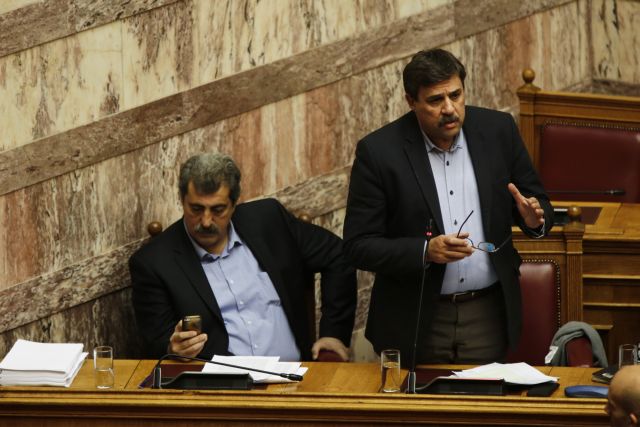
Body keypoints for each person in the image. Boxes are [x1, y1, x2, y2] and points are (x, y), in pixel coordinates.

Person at [343, 48, 554, 365]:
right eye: (435, 100)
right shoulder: (379, 152)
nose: (449, 109)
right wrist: (425, 251)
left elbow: (539, 204)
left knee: (484, 395)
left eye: (455, 95)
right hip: (415, 316)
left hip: (487, 313)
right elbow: (358, 246)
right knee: (415, 398)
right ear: (411, 101)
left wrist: (534, 219)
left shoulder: (498, 130)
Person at [129, 152, 357, 361]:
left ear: (234, 203)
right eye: (196, 209)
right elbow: (157, 344)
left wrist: (334, 333)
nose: (206, 221)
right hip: (222, 388)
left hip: (297, 378)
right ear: (182, 200)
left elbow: (338, 254)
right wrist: (173, 349)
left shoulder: (268, 220)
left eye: (218, 210)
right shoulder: (154, 263)